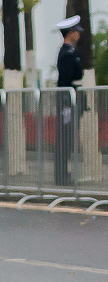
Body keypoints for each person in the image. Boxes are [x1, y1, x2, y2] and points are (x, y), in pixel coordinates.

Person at [54, 16, 84, 187]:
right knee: (64, 140)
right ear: (71, 33)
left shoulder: (69, 52)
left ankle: (63, 174)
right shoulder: (67, 53)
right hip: (66, 102)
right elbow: (67, 80)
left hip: (68, 101)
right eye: (76, 32)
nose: (79, 35)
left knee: (67, 139)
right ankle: (61, 176)